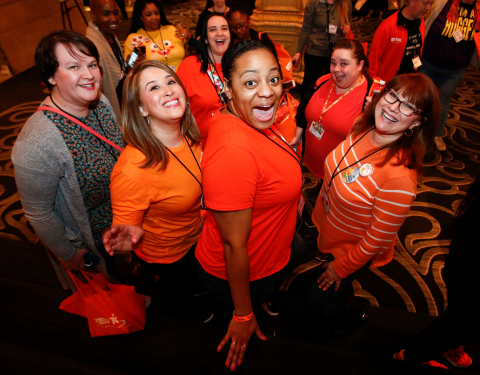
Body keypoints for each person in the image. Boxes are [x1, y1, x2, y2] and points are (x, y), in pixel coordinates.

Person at [195, 40, 307, 371]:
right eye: (250, 82)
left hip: (271, 247)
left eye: (273, 79)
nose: (267, 92)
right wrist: (243, 313)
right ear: (227, 88)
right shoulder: (234, 151)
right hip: (248, 272)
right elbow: (233, 244)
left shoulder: (246, 119)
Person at [308, 73, 439, 336]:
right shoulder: (362, 125)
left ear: (418, 121)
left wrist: (341, 268)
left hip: (350, 250)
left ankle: (345, 317)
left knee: (319, 302)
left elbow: (377, 238)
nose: (393, 107)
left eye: (408, 106)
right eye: (392, 95)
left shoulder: (400, 176)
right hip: (330, 224)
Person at [12, 30, 124, 278]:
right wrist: (68, 253)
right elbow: (38, 212)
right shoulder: (37, 143)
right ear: (51, 76)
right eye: (74, 66)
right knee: (115, 298)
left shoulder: (100, 102)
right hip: (92, 239)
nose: (88, 75)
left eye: (92, 64)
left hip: (124, 223)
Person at [102, 60, 209, 318]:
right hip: (170, 255)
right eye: (154, 88)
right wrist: (127, 238)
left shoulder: (190, 135)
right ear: (140, 108)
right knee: (183, 294)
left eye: (171, 82)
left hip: (198, 232)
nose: (169, 90)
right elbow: (128, 229)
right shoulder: (132, 170)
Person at [393, 173, 480, 369]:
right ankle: (411, 357)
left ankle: (447, 345)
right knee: (460, 323)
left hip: (465, 260)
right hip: (469, 265)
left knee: (458, 316)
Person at [292, 39, 374, 181]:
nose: (336, 69)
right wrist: (298, 136)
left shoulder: (370, 96)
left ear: (360, 65)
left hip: (340, 172)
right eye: (333, 63)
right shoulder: (322, 81)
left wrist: (373, 117)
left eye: (344, 64)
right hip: (311, 161)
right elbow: (303, 110)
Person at [421, 0, 480, 152]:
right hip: (428, 62)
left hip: (456, 69)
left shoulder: (478, 10)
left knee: (443, 103)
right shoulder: (443, 3)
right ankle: (415, 131)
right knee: (421, 99)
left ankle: (436, 134)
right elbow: (425, 22)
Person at [177, 13, 231, 148]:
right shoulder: (189, 66)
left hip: (234, 142)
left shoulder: (241, 66)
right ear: (205, 39)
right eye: (213, 29)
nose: (220, 33)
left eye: (224, 28)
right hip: (201, 147)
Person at [293, 0, 352, 98]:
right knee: (309, 83)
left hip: (335, 52)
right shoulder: (313, 4)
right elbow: (305, 29)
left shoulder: (345, 3)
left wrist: (345, 29)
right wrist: (298, 53)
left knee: (332, 83)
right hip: (315, 50)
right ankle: (304, 109)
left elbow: (344, 25)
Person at [369, 0, 434, 82]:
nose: (429, 8)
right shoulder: (388, 26)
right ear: (412, 1)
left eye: (431, 4)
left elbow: (417, 51)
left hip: (409, 83)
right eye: (425, 3)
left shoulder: (420, 22)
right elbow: (372, 62)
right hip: (389, 85)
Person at [86, 0, 127, 119]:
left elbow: (117, 74)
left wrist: (126, 66)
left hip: (121, 102)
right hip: (108, 111)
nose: (113, 18)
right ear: (94, 16)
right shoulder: (93, 47)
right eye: (106, 14)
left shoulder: (110, 36)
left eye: (115, 13)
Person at [124, 0, 191, 72]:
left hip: (181, 77)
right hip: (153, 80)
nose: (154, 17)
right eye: (148, 15)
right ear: (141, 17)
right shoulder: (135, 39)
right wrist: (131, 63)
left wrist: (188, 39)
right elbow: (130, 69)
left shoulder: (171, 29)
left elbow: (188, 54)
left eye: (156, 13)